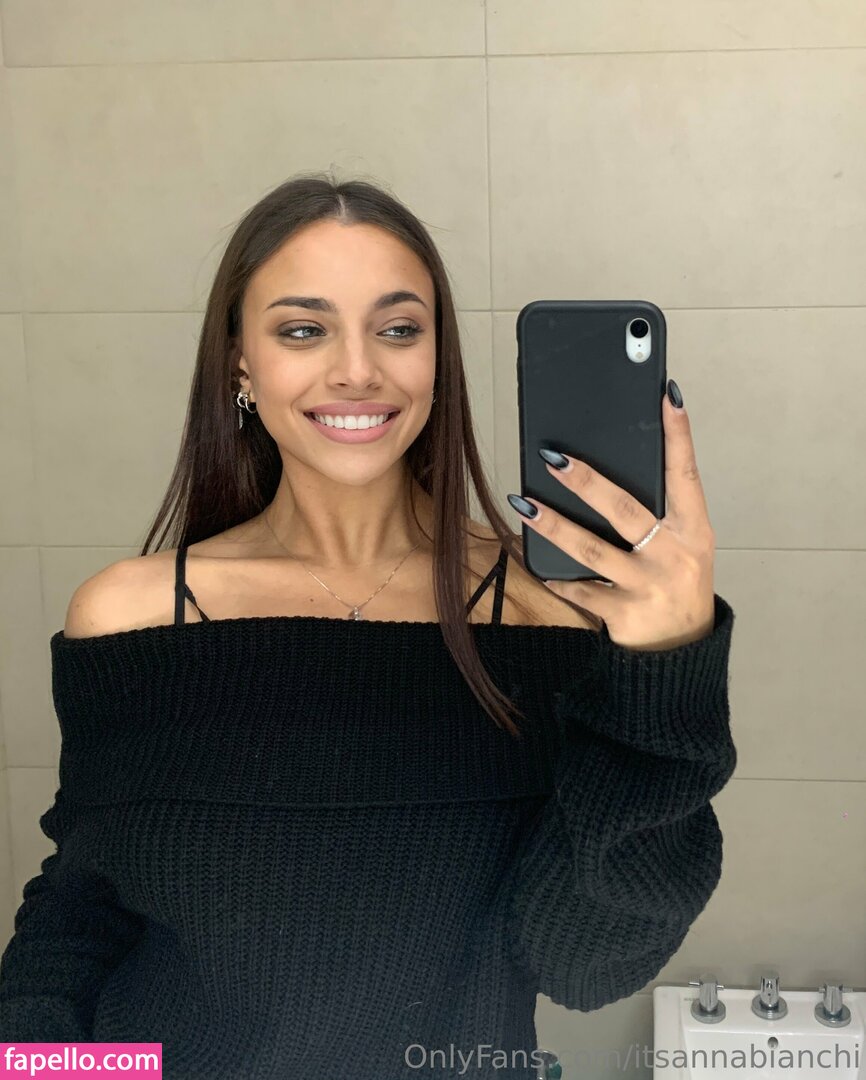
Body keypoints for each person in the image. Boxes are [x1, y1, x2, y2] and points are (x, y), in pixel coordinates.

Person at [0, 172, 737, 1080]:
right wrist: (38, 1067)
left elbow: (586, 966)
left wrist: (668, 664)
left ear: (438, 359)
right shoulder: (131, 615)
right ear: (239, 364)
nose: (357, 369)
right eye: (302, 330)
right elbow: (80, 906)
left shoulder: (549, 613)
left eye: (398, 329)